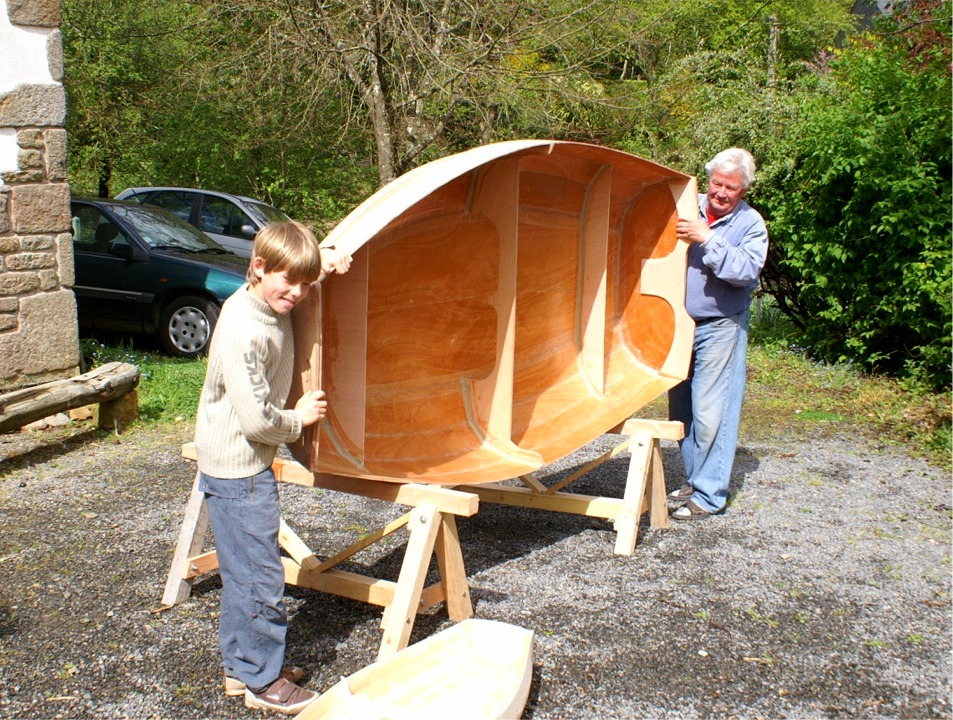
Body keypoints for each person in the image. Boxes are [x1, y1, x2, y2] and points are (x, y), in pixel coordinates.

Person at [193, 220, 351, 714]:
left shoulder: (262, 296)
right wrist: (298, 418)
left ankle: (243, 669)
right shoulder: (245, 330)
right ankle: (265, 683)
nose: (298, 294)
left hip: (232, 464)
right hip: (240, 470)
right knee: (261, 577)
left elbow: (296, 277)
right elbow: (259, 421)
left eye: (306, 284)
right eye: (289, 281)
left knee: (243, 574)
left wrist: (321, 263)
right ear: (258, 267)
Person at [667, 148, 768, 521]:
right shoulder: (685, 205)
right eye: (717, 183)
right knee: (682, 411)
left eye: (731, 188)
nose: (721, 192)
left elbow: (746, 272)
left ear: (743, 191)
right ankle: (694, 480)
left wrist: (707, 239)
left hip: (720, 324)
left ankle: (709, 496)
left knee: (712, 412)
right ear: (708, 179)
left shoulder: (750, 224)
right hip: (677, 324)